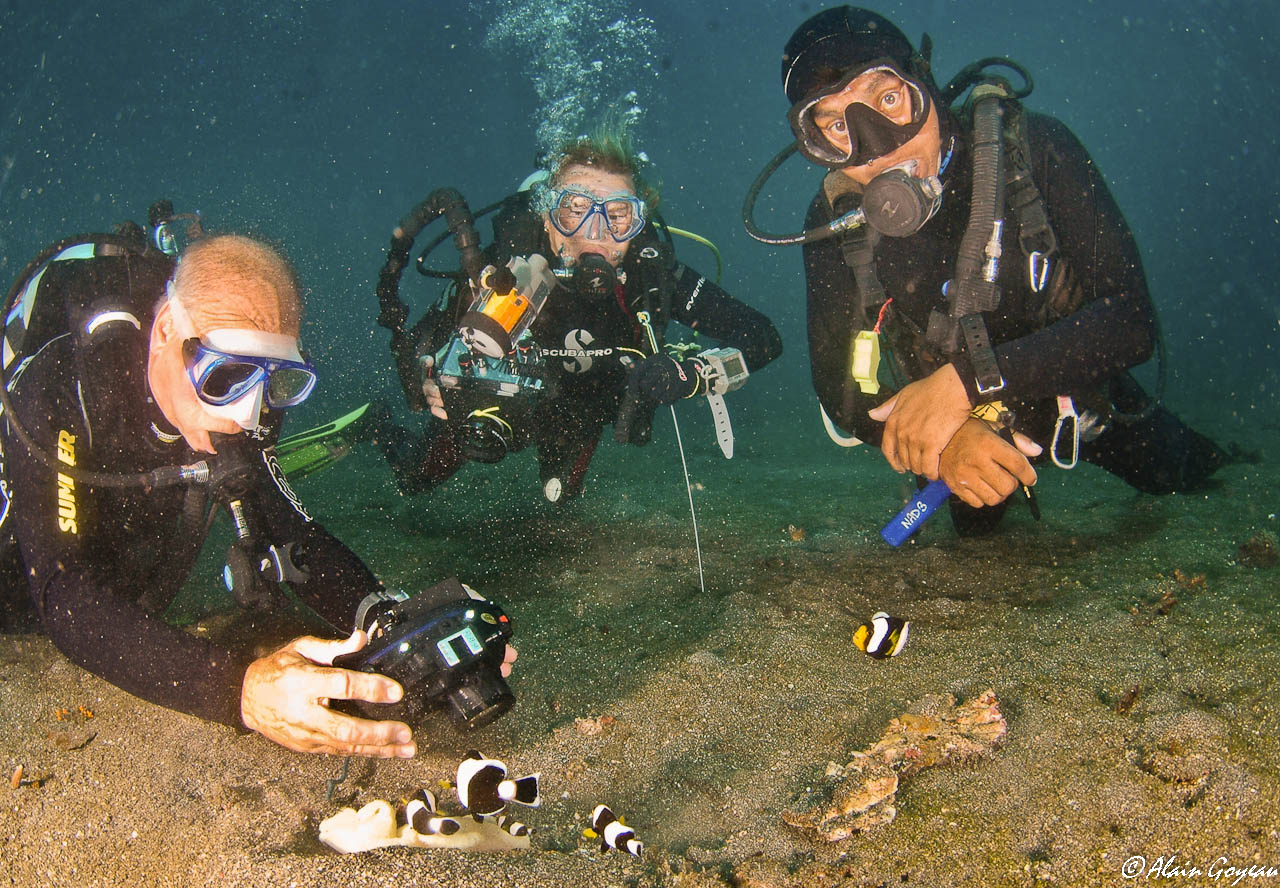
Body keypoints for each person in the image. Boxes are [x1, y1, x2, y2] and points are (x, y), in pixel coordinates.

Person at [0, 226, 514, 756]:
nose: (246, 413)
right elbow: (63, 599)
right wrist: (240, 692)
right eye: (226, 376)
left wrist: (389, 621)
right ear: (165, 332)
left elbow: (291, 536)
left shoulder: (248, 409)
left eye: (275, 379)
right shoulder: (63, 385)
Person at [776, 6, 1228, 534]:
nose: (878, 146)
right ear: (814, 144)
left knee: (1182, 470)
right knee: (975, 538)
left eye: (889, 99)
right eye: (835, 125)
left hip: (1074, 390)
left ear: (923, 81)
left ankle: (1225, 457)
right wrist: (945, 444)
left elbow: (1130, 321)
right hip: (959, 431)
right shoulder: (835, 223)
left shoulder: (1036, 150)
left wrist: (966, 384)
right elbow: (840, 388)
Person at [370, 122, 783, 502]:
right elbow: (422, 340)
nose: (597, 233)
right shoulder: (503, 274)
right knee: (413, 477)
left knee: (563, 497)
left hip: (580, 413)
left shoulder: (651, 276)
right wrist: (429, 376)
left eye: (619, 215)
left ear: (637, 225)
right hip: (498, 402)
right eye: (576, 209)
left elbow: (762, 337)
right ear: (547, 217)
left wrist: (692, 375)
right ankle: (374, 424)